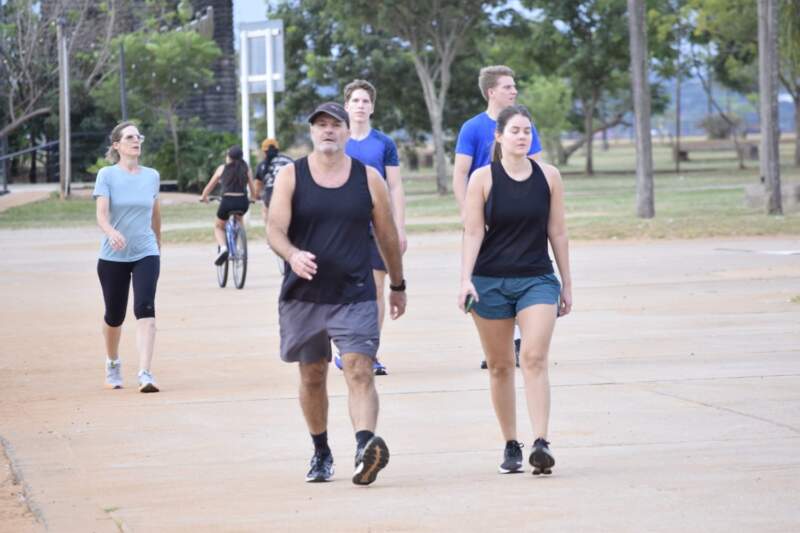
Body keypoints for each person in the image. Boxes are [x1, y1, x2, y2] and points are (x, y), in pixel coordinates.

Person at [267, 102, 407, 484]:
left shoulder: (369, 178)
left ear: (347, 131)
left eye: (335, 125)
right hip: (304, 296)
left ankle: (364, 449)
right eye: (321, 125)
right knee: (312, 375)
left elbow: (388, 235)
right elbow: (274, 229)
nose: (328, 130)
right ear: (312, 132)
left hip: (355, 292)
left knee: (360, 368)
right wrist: (292, 255)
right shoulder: (292, 176)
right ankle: (321, 451)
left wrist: (397, 284)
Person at [458, 105, 572, 476]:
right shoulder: (482, 179)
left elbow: (557, 231)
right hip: (489, 281)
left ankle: (541, 442)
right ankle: (511, 443)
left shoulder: (549, 176)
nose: (522, 136)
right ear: (499, 136)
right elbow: (473, 232)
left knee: (534, 357)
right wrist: (465, 279)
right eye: (515, 131)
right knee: (500, 365)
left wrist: (567, 283)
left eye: (527, 131)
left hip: (537, 279)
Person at [452, 65, 544, 370]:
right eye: (508, 86)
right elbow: (460, 173)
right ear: (491, 92)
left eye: (514, 86)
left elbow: (538, 168)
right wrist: (468, 213)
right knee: (487, 281)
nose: (514, 90)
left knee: (522, 276)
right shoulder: (472, 128)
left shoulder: (524, 125)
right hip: (485, 216)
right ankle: (497, 346)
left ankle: (517, 342)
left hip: (518, 217)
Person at [336, 78, 407, 376]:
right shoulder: (338, 140)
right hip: (343, 227)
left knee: (376, 289)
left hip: (377, 226)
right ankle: (345, 347)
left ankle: (369, 352)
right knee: (345, 288)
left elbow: (395, 186)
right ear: (346, 106)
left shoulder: (384, 143)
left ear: (372, 108)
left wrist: (399, 227)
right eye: (355, 101)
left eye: (365, 101)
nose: (360, 106)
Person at [93, 121, 162, 393]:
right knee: (115, 315)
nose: (136, 141)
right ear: (117, 145)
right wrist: (111, 232)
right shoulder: (107, 175)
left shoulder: (152, 176)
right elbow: (101, 215)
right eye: (130, 137)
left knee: (145, 308)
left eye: (138, 137)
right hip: (113, 256)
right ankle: (112, 362)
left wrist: (158, 247)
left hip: (146, 252)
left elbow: (155, 214)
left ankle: (145, 372)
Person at [200, 146, 257, 265]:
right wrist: (252, 198)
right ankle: (240, 246)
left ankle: (223, 248)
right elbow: (253, 189)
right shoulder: (246, 169)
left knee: (219, 227)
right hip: (242, 202)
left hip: (227, 202)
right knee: (239, 219)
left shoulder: (222, 168)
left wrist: (204, 197)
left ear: (229, 157)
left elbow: (210, 186)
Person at [254, 138, 293, 234]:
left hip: (270, 195)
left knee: (266, 212)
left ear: (264, 152)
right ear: (277, 149)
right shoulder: (288, 160)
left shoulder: (262, 165)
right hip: (288, 193)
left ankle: (270, 235)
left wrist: (256, 196)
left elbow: (258, 185)